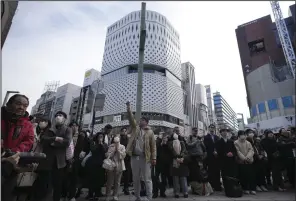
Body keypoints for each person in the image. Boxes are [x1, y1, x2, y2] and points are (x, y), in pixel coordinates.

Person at [125, 101, 156, 201]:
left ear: (146, 122)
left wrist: (154, 158)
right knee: (135, 178)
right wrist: (128, 108)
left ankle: (149, 197)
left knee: (147, 179)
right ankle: (137, 197)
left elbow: (153, 146)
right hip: (134, 157)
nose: (140, 121)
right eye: (140, 119)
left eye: (142, 120)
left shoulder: (150, 132)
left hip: (145, 158)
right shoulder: (135, 128)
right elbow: (131, 119)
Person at [31, 117, 56, 201]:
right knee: (38, 182)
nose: (42, 122)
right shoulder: (41, 131)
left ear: (48, 123)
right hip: (39, 160)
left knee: (43, 183)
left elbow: (45, 140)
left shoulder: (49, 132)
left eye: (44, 121)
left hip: (45, 161)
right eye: (41, 121)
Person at [50, 111, 73, 201]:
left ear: (64, 118)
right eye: (56, 115)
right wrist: (57, 140)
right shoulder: (51, 128)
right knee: (47, 183)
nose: (58, 117)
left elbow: (67, 142)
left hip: (60, 161)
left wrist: (53, 143)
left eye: (60, 115)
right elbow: (46, 140)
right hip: (48, 160)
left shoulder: (67, 129)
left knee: (57, 185)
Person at [85, 132, 108, 200]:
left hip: (100, 164)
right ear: (97, 137)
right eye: (99, 136)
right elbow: (93, 150)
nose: (100, 138)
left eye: (102, 136)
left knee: (99, 179)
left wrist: (101, 144)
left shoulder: (105, 144)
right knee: (92, 179)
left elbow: (105, 152)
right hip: (93, 163)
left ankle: (98, 193)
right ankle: (90, 193)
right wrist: (98, 144)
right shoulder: (93, 143)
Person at [234, 130, 256, 195]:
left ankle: (252, 189)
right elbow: (237, 152)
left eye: (244, 134)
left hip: (249, 161)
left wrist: (248, 157)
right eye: (242, 134)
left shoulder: (248, 142)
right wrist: (244, 158)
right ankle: (245, 188)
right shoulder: (236, 142)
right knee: (243, 176)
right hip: (241, 162)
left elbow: (251, 150)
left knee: (251, 176)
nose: (243, 136)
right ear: (239, 135)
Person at [105, 135, 126, 201]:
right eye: (115, 141)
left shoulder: (122, 147)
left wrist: (118, 151)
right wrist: (113, 151)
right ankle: (108, 195)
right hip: (111, 164)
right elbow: (107, 155)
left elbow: (123, 156)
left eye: (117, 141)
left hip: (119, 165)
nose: (116, 143)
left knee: (117, 182)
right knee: (109, 181)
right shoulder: (111, 146)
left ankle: (115, 195)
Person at [169, 132, 189, 198]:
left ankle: (185, 192)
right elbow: (171, 150)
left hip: (182, 162)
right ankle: (176, 192)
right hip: (174, 161)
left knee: (183, 178)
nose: (176, 135)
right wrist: (176, 157)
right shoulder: (170, 143)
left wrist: (182, 158)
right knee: (175, 178)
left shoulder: (182, 142)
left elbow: (185, 150)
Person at [152, 132, 172, 198]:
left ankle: (162, 192)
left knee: (164, 180)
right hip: (157, 165)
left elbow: (171, 152)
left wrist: (166, 145)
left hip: (165, 166)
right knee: (155, 179)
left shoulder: (168, 145)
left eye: (165, 138)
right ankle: (155, 192)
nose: (164, 140)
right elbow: (155, 149)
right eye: (163, 138)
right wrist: (160, 142)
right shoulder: (158, 144)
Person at [204, 124, 222, 191]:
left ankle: (217, 185)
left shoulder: (217, 137)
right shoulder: (206, 137)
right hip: (210, 157)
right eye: (211, 127)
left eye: (213, 127)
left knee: (217, 171)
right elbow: (206, 147)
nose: (212, 129)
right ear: (209, 128)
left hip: (216, 157)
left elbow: (219, 146)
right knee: (211, 171)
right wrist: (211, 152)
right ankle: (211, 185)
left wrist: (217, 152)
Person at [120, 127, 132, 195]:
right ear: (121, 132)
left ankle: (126, 188)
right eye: (123, 131)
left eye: (125, 131)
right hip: (120, 158)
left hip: (127, 159)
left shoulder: (129, 139)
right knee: (119, 174)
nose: (124, 132)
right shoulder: (118, 139)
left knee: (127, 174)